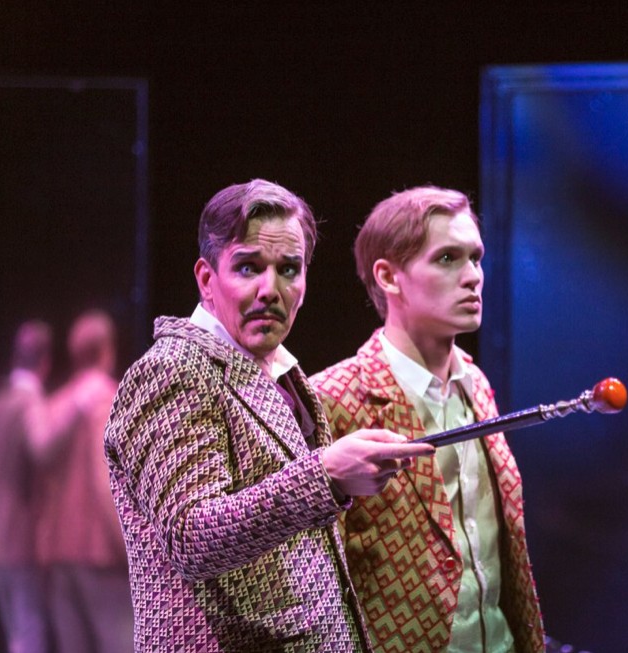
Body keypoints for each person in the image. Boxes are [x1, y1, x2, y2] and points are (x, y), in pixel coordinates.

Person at [103, 179, 433, 652]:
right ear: (206, 279)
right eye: (248, 267)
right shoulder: (173, 369)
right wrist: (327, 476)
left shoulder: (282, 371)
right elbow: (191, 537)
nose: (270, 290)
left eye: (288, 269)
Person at [310, 186, 545, 652]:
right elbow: (315, 576)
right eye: (447, 259)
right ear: (389, 276)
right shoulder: (331, 398)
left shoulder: (475, 383)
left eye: (475, 258)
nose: (472, 276)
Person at [33, 310, 133, 653]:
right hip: (100, 553)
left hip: (59, 553)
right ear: (107, 349)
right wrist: (128, 548)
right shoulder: (110, 402)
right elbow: (106, 483)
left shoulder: (57, 404)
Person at [0, 320, 54, 653]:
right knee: (31, 637)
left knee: (17, 638)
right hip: (25, 542)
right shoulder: (30, 404)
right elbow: (42, 450)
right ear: (45, 362)